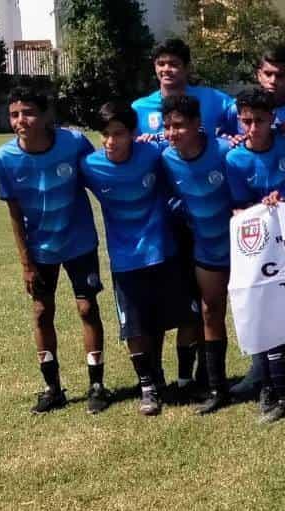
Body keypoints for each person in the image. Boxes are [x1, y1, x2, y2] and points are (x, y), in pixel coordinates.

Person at [79, 102, 200, 415]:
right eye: (105, 134)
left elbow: (180, 146)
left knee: (187, 317)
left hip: (164, 250)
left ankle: (185, 382)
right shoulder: (89, 166)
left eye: (118, 134)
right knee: (134, 327)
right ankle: (148, 387)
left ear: (133, 133)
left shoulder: (151, 154)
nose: (110, 141)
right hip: (125, 260)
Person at [0, 87, 108, 414]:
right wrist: (25, 262)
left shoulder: (73, 143)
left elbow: (100, 179)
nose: (20, 120)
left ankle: (97, 384)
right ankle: (52, 387)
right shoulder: (5, 158)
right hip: (40, 249)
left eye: (28, 112)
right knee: (42, 313)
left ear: (46, 115)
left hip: (80, 242)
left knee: (87, 309)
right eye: (14, 114)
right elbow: (14, 213)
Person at [132, 38, 233, 397]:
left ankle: (197, 377)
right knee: (164, 300)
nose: (166, 69)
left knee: (201, 303)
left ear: (187, 68)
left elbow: (254, 122)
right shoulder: (139, 107)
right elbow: (127, 152)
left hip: (210, 224)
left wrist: (237, 137)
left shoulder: (216, 100)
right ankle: (156, 377)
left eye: (174, 63)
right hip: (165, 223)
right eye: (161, 63)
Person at [225, 89, 285, 422]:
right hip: (258, 250)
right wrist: (260, 208)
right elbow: (237, 207)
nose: (252, 127)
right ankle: (268, 385)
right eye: (246, 120)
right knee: (261, 309)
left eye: (259, 120)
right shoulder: (235, 159)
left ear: (273, 118)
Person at [159, 95, 234, 415]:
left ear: (196, 124)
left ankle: (276, 382)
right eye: (167, 126)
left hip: (245, 246)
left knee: (257, 310)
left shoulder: (226, 151)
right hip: (207, 247)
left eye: (179, 126)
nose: (172, 133)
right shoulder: (165, 159)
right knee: (210, 310)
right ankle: (216, 385)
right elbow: (168, 197)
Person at [224, 46, 285, 137]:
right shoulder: (237, 109)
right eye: (268, 74)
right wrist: (230, 140)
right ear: (259, 75)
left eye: (280, 75)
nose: (273, 81)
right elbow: (221, 139)